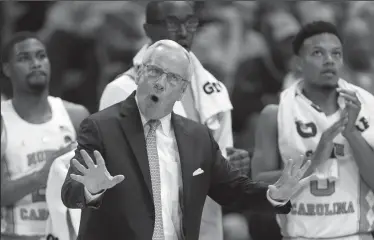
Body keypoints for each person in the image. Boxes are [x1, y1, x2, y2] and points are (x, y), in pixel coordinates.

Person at [61, 40, 315, 240]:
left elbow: (231, 189)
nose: (161, 84)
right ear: (139, 74)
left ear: (182, 91)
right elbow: (69, 193)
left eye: (172, 78)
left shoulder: (197, 136)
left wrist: (274, 194)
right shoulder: (100, 126)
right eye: (154, 72)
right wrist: (90, 190)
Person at [99, 2, 235, 239]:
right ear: (148, 29)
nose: (183, 32)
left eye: (190, 22)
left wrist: (233, 169)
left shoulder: (215, 91)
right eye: (172, 23)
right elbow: (118, 176)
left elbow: (222, 173)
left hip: (205, 229)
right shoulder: (122, 91)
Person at [251, 21, 374, 240]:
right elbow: (258, 186)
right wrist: (314, 162)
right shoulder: (274, 114)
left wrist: (352, 133)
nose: (329, 60)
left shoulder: (368, 106)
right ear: (298, 63)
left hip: (357, 235)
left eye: (336, 54)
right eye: (318, 53)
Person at [0, 32, 89, 240]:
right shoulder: (3, 120)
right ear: (6, 69)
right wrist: (42, 175)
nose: (35, 63)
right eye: (24, 58)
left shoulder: (76, 116)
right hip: (16, 235)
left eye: (41, 56)